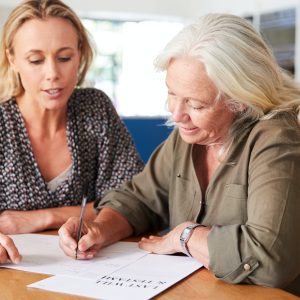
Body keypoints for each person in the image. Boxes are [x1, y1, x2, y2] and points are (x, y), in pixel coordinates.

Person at [59, 13, 300, 295]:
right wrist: (99, 229)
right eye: (172, 93)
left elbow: (270, 261)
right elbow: (139, 200)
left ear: (241, 101)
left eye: (196, 104)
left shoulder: (277, 140)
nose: (176, 114)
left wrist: (185, 236)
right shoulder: (189, 136)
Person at [0, 0, 144, 263]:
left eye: (64, 57)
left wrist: (43, 217)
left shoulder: (95, 108)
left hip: (93, 266)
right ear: (12, 59)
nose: (53, 73)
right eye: (35, 60)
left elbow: (135, 199)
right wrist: (90, 210)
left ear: (80, 53)